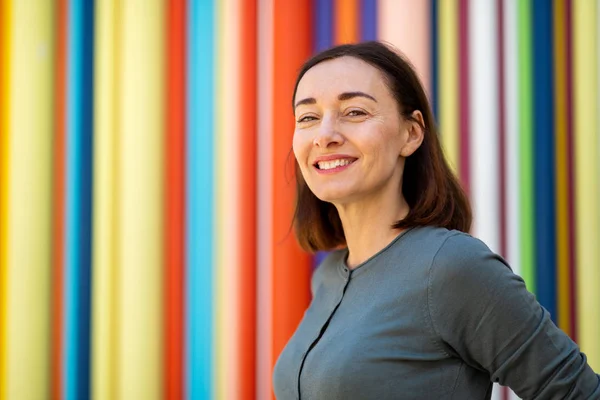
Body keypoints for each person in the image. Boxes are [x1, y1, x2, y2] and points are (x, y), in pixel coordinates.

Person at [272, 41, 600, 400]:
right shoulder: (327, 276)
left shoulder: (452, 267)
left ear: (411, 133)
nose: (325, 135)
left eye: (354, 112)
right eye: (308, 117)